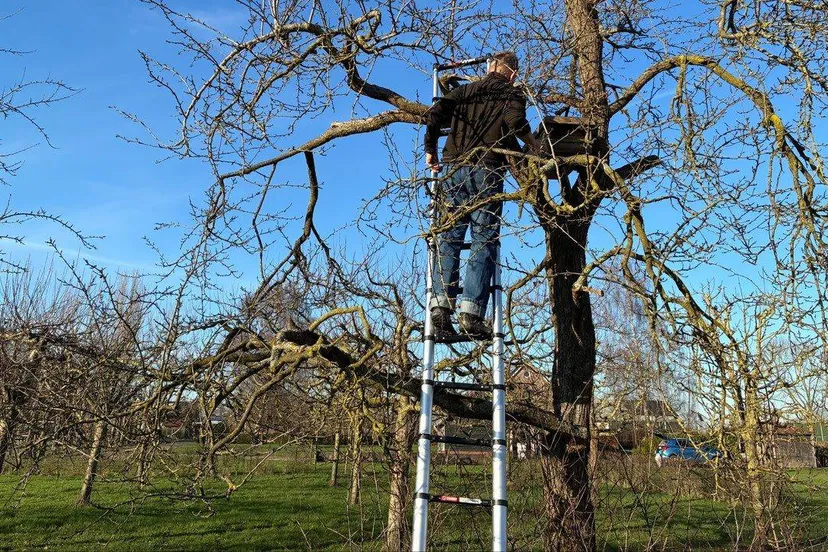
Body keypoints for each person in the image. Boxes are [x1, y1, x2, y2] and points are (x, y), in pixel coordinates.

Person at [424, 50, 540, 338]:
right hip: (486, 169)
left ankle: (440, 309)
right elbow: (515, 123)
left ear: (490, 67)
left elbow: (435, 113)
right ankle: (471, 313)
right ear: (512, 73)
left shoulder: (466, 91)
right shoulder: (512, 93)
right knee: (483, 238)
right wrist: (534, 145)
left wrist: (430, 149)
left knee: (449, 236)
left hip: (452, 168)